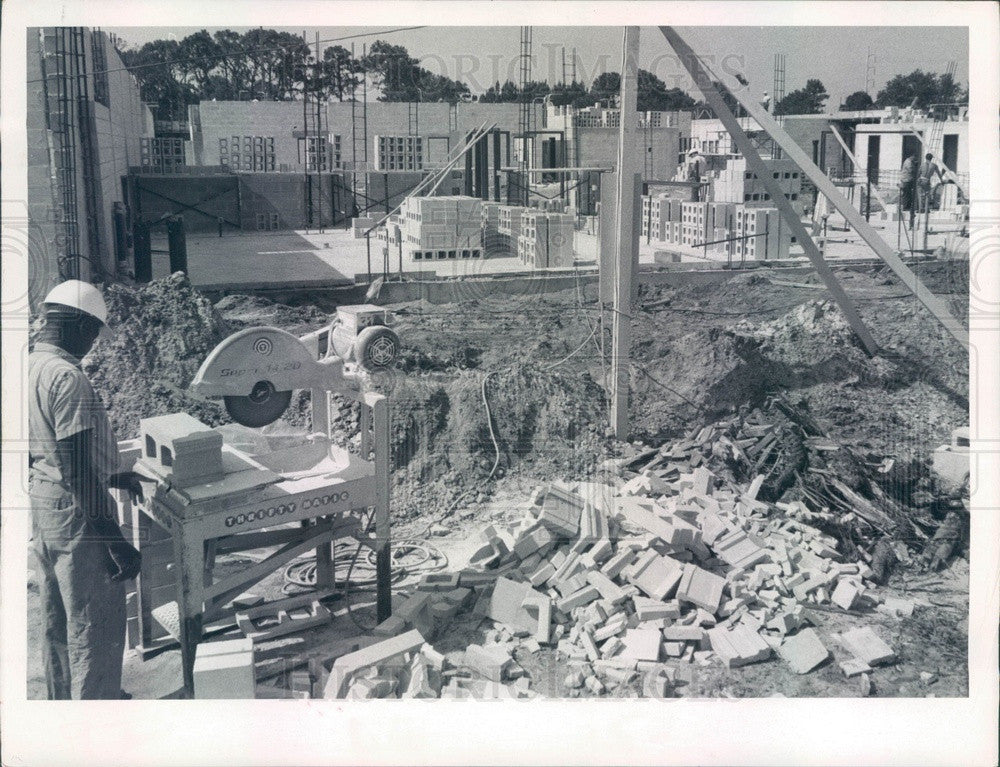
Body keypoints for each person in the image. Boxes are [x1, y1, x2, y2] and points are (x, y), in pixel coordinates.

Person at [29, 279, 144, 699]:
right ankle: (97, 714)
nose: (94, 343)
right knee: (94, 619)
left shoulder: (29, 366)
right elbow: (76, 470)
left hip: (45, 503)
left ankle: (66, 705)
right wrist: (114, 541)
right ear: (79, 325)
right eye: (95, 332)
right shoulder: (67, 377)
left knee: (59, 614)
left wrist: (113, 475)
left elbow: (47, 449)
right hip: (77, 511)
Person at [898, 150, 919, 227]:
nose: (915, 158)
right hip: (906, 179)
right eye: (915, 157)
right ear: (912, 156)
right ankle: (906, 207)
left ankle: (908, 207)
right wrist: (915, 166)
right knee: (906, 194)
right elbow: (911, 170)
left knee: (908, 194)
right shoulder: (908, 162)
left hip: (908, 179)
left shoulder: (909, 161)